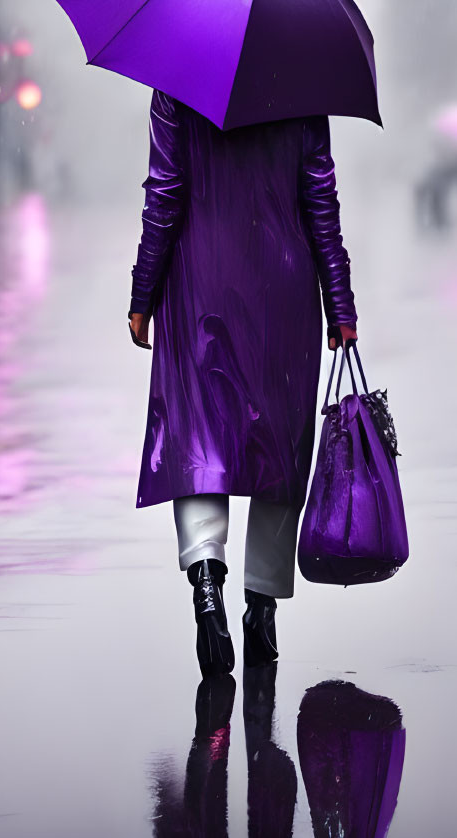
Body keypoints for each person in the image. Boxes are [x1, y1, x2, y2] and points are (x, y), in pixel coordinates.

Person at [127, 91, 357, 677]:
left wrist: (142, 292)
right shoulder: (303, 85)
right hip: (283, 287)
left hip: (199, 283)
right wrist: (341, 302)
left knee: (199, 437)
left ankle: (207, 580)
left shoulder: (177, 82)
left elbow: (166, 192)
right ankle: (261, 607)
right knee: (279, 448)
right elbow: (320, 202)